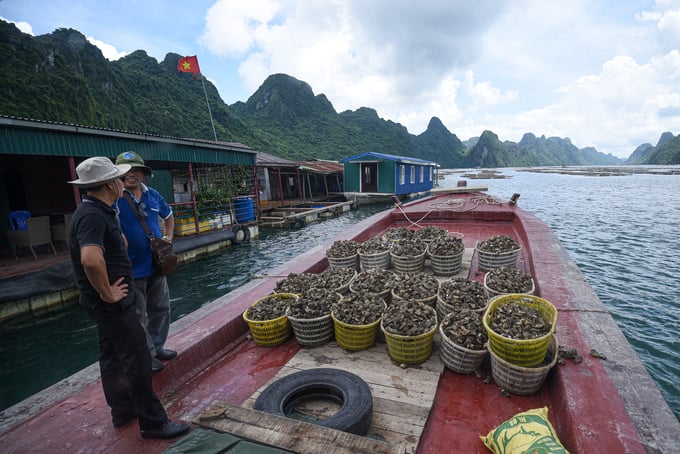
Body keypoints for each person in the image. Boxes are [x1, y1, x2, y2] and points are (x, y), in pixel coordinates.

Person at [67, 157, 190, 439]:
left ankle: (122, 411)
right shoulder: (92, 215)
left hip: (104, 302)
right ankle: (153, 422)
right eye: (119, 179)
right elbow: (90, 259)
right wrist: (107, 292)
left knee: (111, 357)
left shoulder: (98, 210)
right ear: (111, 184)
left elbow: (111, 245)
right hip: (113, 302)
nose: (123, 183)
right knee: (137, 359)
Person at [114, 151, 176, 372]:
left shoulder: (153, 195)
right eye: (127, 171)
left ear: (143, 173)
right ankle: (146, 356)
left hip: (156, 265)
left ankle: (157, 347)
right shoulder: (113, 197)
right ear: (118, 174)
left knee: (161, 308)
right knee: (138, 316)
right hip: (130, 269)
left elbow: (168, 216)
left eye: (136, 170)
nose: (132, 174)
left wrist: (168, 239)